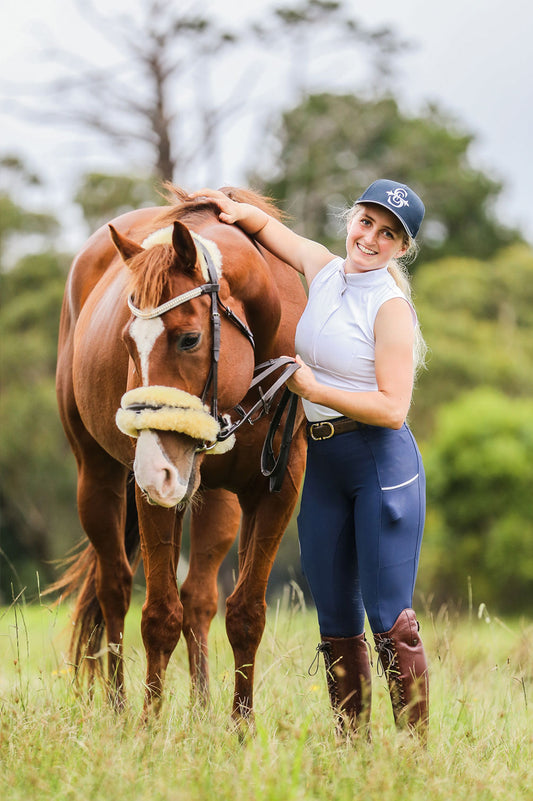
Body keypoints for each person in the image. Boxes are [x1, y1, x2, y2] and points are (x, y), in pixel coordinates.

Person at [189, 180, 429, 742]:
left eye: (387, 234)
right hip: (322, 460)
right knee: (335, 615)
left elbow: (393, 408)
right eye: (366, 222)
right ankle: (351, 743)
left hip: (380, 463)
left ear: (401, 248)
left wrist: (314, 388)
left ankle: (415, 750)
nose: (370, 238)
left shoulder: (390, 308)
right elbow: (274, 233)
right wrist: (232, 209)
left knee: (387, 616)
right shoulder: (322, 269)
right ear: (351, 220)